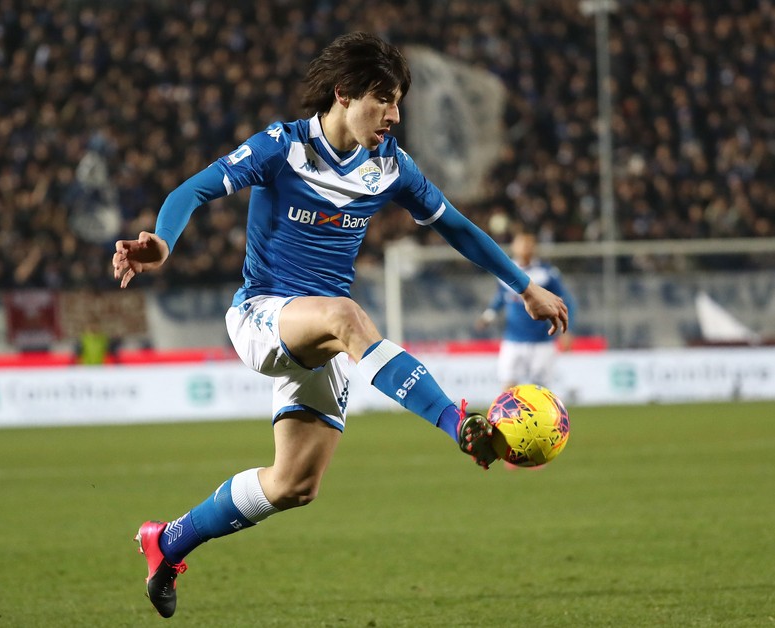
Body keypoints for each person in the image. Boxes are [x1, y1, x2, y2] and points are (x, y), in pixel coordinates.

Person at [112, 32, 568, 619]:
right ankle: (457, 422)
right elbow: (193, 189)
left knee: (294, 485)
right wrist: (162, 243)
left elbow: (458, 227)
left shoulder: (390, 167)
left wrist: (525, 287)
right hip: (262, 316)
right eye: (385, 100)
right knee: (347, 313)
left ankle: (167, 543)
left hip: (321, 337)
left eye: (399, 101)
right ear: (345, 94)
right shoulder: (282, 147)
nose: (395, 115)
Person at [476, 228, 574, 390]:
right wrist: (488, 316)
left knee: (541, 390)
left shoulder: (546, 273)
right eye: (521, 244)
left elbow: (564, 301)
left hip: (541, 341)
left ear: (534, 248)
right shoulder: (505, 271)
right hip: (513, 340)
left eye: (529, 244)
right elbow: (500, 298)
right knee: (508, 387)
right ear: (514, 246)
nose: (525, 248)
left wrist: (567, 331)